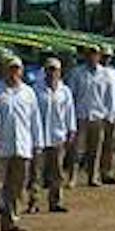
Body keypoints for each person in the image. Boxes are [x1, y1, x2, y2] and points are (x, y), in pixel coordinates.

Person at [0, 55, 40, 231]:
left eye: (16, 69)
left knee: (17, 185)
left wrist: (37, 143)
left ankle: (11, 220)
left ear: (21, 71)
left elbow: (34, 120)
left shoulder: (28, 92)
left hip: (22, 145)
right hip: (0, 146)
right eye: (10, 69)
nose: (13, 73)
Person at [72, 47, 115, 187]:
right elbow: (72, 94)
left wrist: (110, 115)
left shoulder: (105, 74)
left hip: (98, 115)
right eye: (89, 54)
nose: (92, 57)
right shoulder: (77, 73)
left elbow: (109, 97)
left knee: (95, 150)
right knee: (77, 150)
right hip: (81, 115)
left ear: (99, 56)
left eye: (95, 54)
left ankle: (93, 177)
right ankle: (73, 177)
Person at [33, 57, 75, 213]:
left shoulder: (65, 91)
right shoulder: (36, 89)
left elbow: (69, 112)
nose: (52, 73)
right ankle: (34, 202)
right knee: (36, 173)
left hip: (58, 136)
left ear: (60, 72)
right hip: (39, 137)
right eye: (49, 70)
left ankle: (56, 201)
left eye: (55, 70)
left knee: (57, 172)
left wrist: (71, 130)